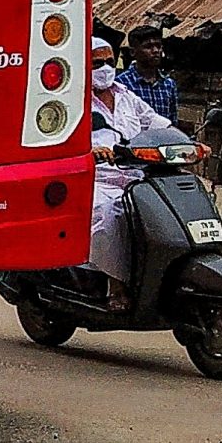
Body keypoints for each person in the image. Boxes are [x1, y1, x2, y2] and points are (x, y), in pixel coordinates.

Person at [89, 34, 187, 304]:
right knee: (111, 216)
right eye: (97, 64)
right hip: (98, 180)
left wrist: (189, 144)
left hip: (137, 177)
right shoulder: (75, 102)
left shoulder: (126, 96)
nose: (106, 68)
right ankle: (116, 285)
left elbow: (157, 123)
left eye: (110, 61)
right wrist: (93, 152)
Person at [119, 26, 180, 124]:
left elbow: (173, 121)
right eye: (148, 47)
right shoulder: (121, 84)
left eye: (158, 46)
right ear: (132, 52)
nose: (155, 51)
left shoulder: (168, 84)